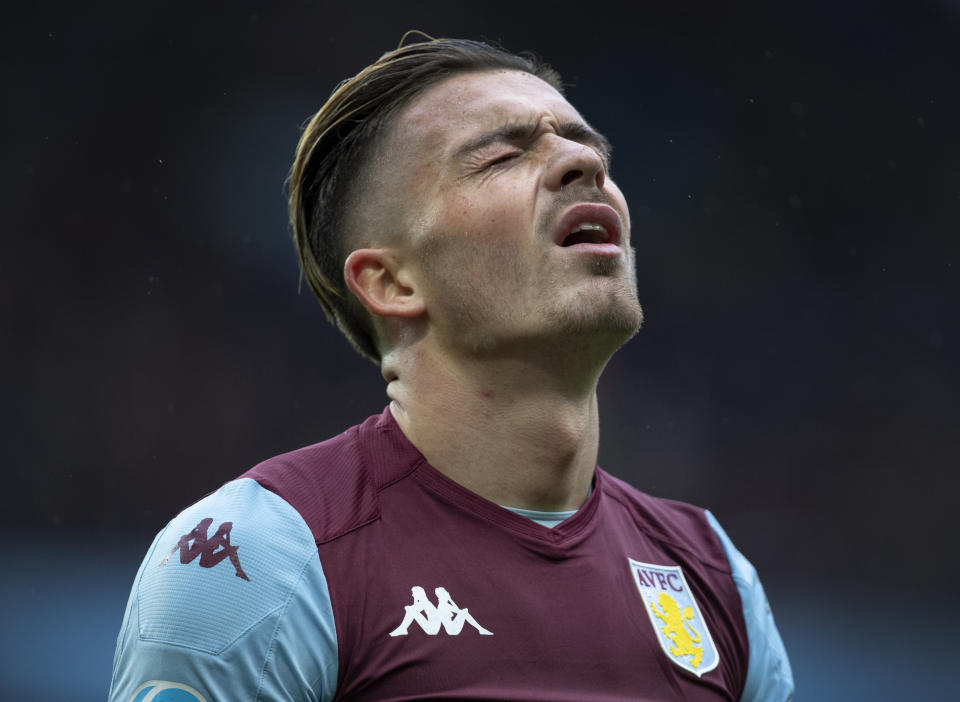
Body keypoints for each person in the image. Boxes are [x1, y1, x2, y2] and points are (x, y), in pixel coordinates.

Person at [109, 36, 794, 701]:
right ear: (392, 283)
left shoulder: (712, 574)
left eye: (588, 147)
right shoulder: (257, 559)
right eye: (502, 156)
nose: (582, 166)